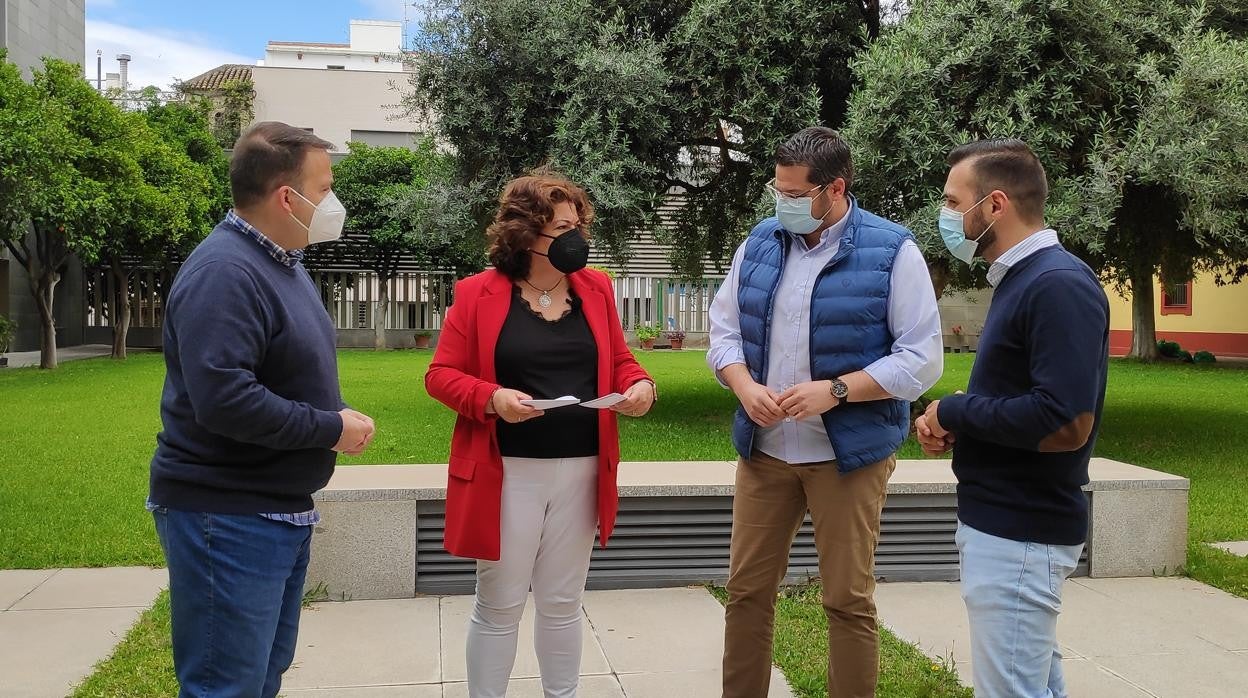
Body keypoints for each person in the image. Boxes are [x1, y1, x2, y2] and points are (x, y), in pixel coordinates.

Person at [708, 126, 944, 697]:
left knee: (846, 599)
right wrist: (743, 386)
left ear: (835, 189)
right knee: (746, 592)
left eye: (793, 194)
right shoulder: (760, 243)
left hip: (848, 458)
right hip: (766, 454)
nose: (782, 203)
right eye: (778, 190)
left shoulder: (893, 251)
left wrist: (835, 391)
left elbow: (922, 360)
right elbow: (723, 333)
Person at [147, 121, 376, 698]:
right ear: (285, 197)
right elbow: (225, 400)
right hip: (226, 515)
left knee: (258, 678)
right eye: (323, 190)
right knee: (226, 686)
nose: (332, 203)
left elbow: (280, 369)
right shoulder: (225, 271)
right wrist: (329, 428)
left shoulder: (281, 263)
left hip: (271, 511)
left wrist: (335, 410)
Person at [424, 172, 656, 698]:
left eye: (580, 225)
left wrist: (640, 383)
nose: (578, 238)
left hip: (583, 468)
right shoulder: (476, 293)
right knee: (500, 603)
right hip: (508, 472)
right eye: (563, 228)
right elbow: (440, 374)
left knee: (562, 601)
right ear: (526, 234)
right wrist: (493, 398)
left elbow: (619, 359)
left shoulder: (595, 288)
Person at [917, 138, 1109, 698]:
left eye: (955, 203)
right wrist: (963, 423)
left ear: (995, 205)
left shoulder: (1057, 285)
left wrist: (956, 409)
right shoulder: (1022, 280)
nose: (947, 216)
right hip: (1004, 522)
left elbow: (1064, 422)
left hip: (1022, 529)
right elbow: (1026, 398)